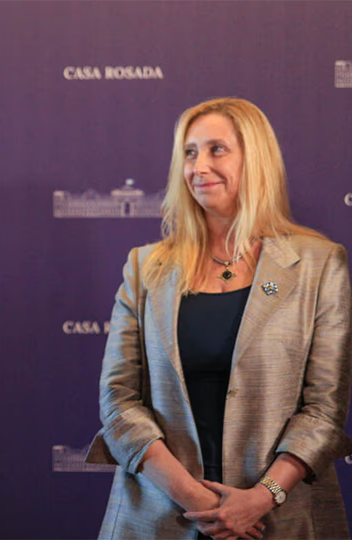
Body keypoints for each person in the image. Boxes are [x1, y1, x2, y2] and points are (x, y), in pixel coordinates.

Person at [85, 97, 352, 539]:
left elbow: (325, 410)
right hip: (159, 517)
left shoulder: (319, 265)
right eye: (189, 153)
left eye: (217, 150)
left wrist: (261, 497)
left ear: (256, 159)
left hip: (278, 520)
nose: (199, 166)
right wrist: (199, 500)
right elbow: (119, 402)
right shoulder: (146, 268)